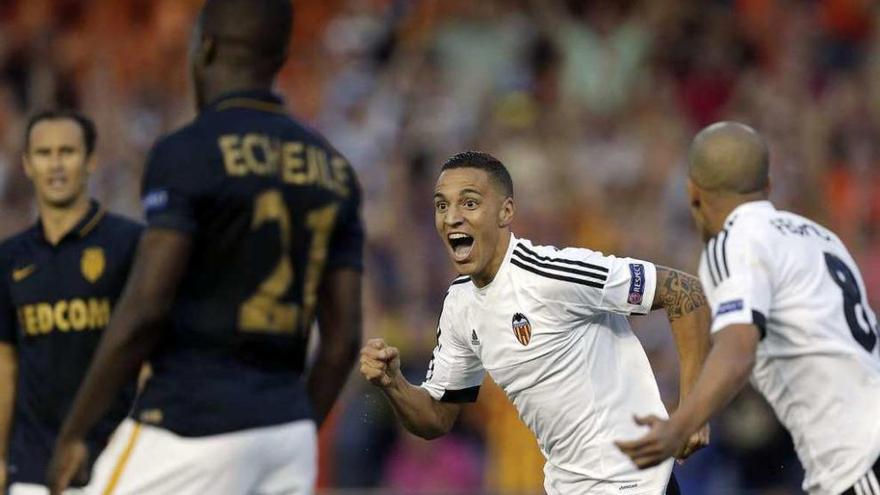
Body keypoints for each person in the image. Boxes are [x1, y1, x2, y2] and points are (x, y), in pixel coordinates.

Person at [47, 1, 364, 494]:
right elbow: (343, 340)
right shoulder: (335, 171)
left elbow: (145, 309)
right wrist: (296, 424)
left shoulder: (188, 152)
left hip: (191, 423)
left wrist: (75, 431)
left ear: (206, 49)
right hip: (287, 436)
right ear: (278, 57)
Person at [361, 151, 711, 494]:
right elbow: (437, 418)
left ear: (506, 211)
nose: (452, 217)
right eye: (442, 205)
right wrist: (394, 384)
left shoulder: (553, 276)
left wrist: (692, 409)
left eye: (469, 203)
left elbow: (684, 292)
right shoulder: (460, 305)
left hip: (634, 482)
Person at [615, 122, 880, 495]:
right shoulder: (822, 238)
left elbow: (738, 348)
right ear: (767, 187)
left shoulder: (733, 242)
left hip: (859, 457)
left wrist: (678, 426)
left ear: (693, 193)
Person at [0, 110, 142, 495]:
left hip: (112, 463)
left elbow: (148, 355)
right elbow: (6, 365)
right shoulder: (9, 258)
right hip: (31, 466)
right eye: (44, 154)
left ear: (91, 160)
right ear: (27, 165)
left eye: (68, 151)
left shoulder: (130, 244)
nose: (56, 164)